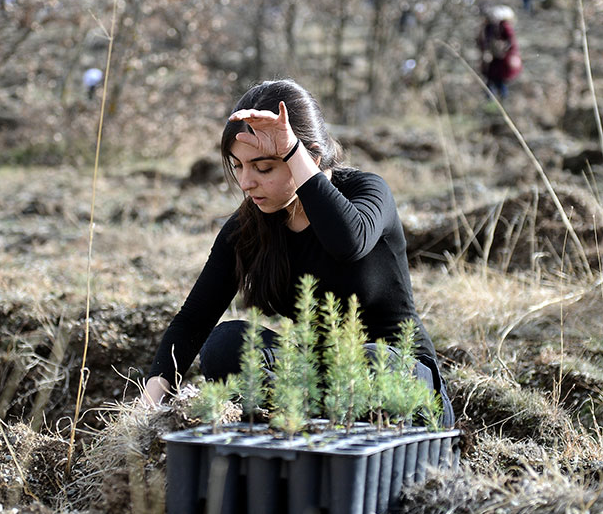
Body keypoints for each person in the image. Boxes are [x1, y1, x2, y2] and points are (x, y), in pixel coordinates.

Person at [142, 79, 454, 427]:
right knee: (224, 344)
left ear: (310, 157)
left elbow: (349, 243)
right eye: (238, 166)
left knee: (366, 361)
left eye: (263, 168)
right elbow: (193, 320)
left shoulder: (367, 192)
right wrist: (146, 410)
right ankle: (296, 436)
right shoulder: (251, 223)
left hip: (399, 380)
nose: (246, 183)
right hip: (319, 384)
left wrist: (292, 151)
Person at [477, 5, 522, 99]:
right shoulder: (490, 27)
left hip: (503, 59)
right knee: (492, 78)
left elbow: (510, 41)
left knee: (498, 79)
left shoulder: (503, 26)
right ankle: (491, 99)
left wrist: (503, 49)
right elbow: (482, 41)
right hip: (496, 58)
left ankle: (498, 98)